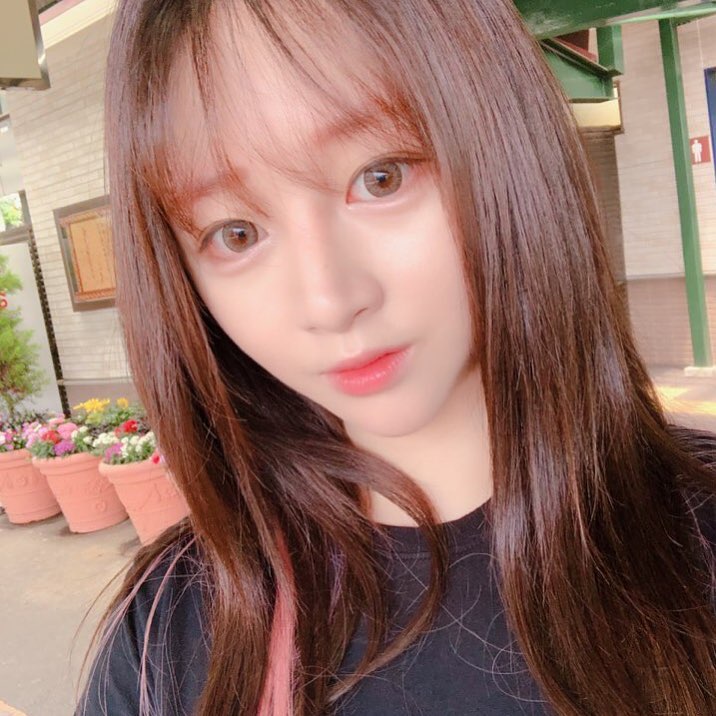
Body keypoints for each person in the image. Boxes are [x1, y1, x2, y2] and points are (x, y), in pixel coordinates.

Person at [76, 1, 716, 714]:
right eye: (236, 234)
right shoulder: (172, 628)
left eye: (380, 177)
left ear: (505, 146)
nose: (328, 301)